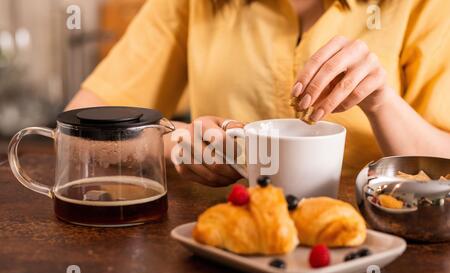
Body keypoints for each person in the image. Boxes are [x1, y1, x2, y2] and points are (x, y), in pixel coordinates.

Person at [67, 0, 450, 187]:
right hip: (220, 249)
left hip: (376, 251)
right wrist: (170, 144)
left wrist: (383, 102)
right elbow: (78, 130)